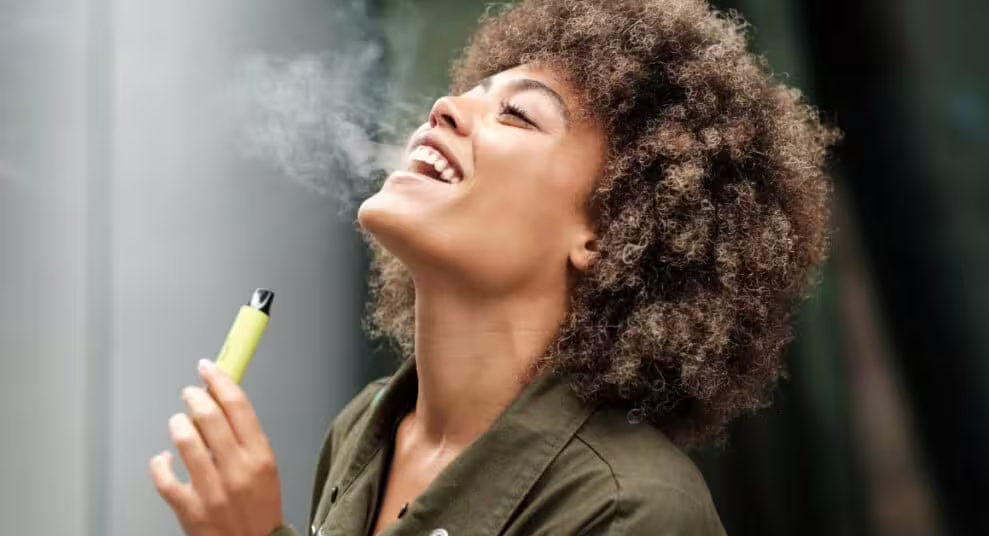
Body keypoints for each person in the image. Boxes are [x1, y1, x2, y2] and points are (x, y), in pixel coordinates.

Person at [149, 0, 838, 534]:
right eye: (471, 90)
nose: (445, 108)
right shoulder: (366, 430)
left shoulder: (631, 510)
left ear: (611, 232)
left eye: (519, 116)